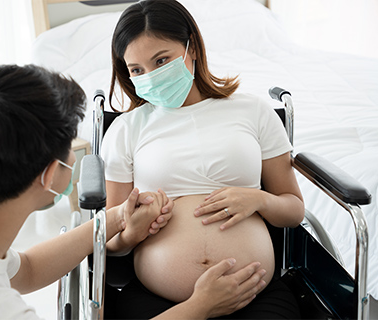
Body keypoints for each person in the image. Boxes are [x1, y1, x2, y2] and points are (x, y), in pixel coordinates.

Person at [0, 61, 266, 319]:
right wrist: (199, 306)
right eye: (71, 149)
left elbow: (24, 270)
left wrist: (116, 218)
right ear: (50, 175)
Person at [101, 0, 305, 318]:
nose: (151, 77)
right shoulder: (126, 130)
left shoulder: (253, 111)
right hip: (161, 302)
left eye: (161, 60)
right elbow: (108, 239)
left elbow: (293, 209)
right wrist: (132, 233)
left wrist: (259, 200)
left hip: (253, 295)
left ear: (192, 47)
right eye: (137, 70)